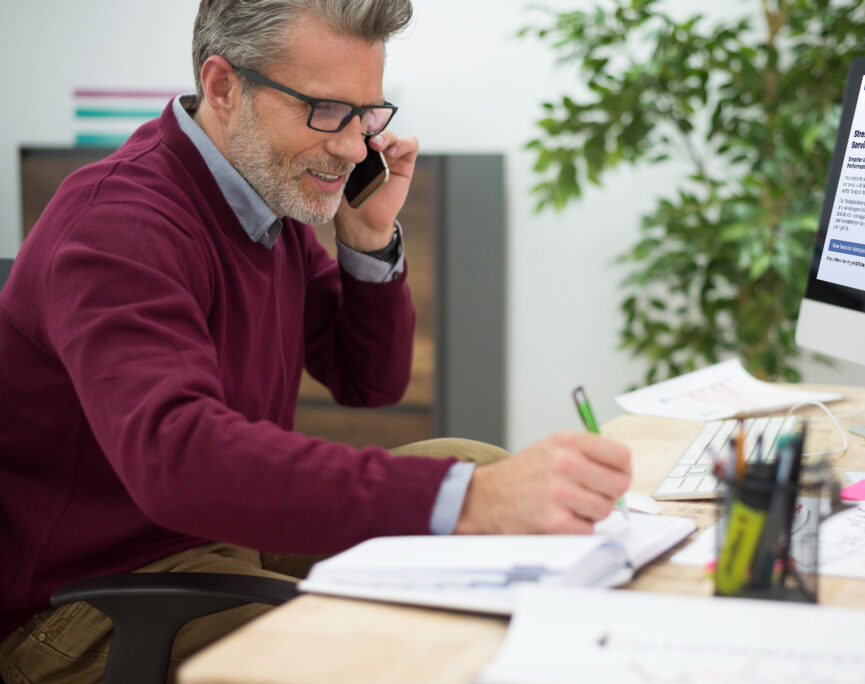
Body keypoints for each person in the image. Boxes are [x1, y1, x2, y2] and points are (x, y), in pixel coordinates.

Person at [0, 1, 631, 681]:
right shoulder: (121, 226)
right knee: (372, 646)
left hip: (222, 539)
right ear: (222, 86)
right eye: (325, 110)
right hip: (86, 605)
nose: (356, 146)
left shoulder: (265, 197)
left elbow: (369, 380)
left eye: (367, 114)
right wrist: (472, 503)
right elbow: (177, 459)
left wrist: (366, 239)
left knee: (470, 459)